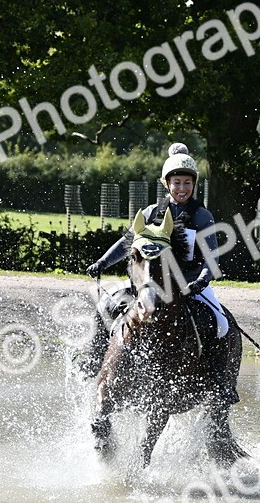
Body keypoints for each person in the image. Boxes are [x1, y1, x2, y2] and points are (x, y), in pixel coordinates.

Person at [80, 143, 229, 376]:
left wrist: (201, 281)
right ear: (166, 184)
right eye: (177, 182)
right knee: (105, 305)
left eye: (187, 183)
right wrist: (102, 262)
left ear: (194, 184)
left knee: (221, 324)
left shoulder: (202, 216)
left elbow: (212, 258)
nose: (182, 188)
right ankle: (93, 359)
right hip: (149, 282)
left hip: (189, 283)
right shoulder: (150, 213)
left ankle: (220, 382)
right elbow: (126, 243)